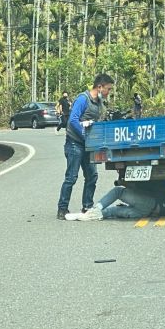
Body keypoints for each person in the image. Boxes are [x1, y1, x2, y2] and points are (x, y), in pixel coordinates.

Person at [57, 73, 115, 220]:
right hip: (74, 144)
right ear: (100, 87)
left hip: (88, 146)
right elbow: (73, 120)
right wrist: (85, 135)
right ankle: (62, 209)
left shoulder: (98, 103)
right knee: (71, 177)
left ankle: (87, 206)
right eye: (108, 89)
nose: (109, 93)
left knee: (92, 176)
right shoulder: (83, 99)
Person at [65, 183, 165, 221]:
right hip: (145, 212)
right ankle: (95, 214)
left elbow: (156, 189)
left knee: (118, 191)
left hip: (148, 204)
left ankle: (96, 209)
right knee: (112, 211)